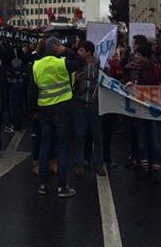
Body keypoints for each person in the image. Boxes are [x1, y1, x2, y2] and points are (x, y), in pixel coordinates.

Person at [28, 36, 84, 198]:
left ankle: (43, 185)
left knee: (45, 146)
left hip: (44, 110)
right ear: (56, 49)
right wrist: (67, 51)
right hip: (63, 109)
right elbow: (81, 61)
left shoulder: (36, 65)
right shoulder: (63, 63)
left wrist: (34, 111)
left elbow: (32, 91)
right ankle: (62, 186)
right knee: (61, 147)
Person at [126, 42, 161, 184]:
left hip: (154, 110)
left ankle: (155, 168)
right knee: (142, 140)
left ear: (145, 57)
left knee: (155, 140)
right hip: (140, 109)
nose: (136, 58)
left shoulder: (156, 68)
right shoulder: (134, 68)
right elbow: (132, 82)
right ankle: (145, 166)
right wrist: (131, 86)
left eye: (138, 55)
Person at [73, 41, 105, 177]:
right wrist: (75, 78)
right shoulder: (78, 66)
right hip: (79, 103)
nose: (78, 53)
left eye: (81, 50)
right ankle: (79, 163)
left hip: (94, 105)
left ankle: (99, 164)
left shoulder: (100, 66)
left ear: (89, 52)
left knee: (97, 136)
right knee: (80, 135)